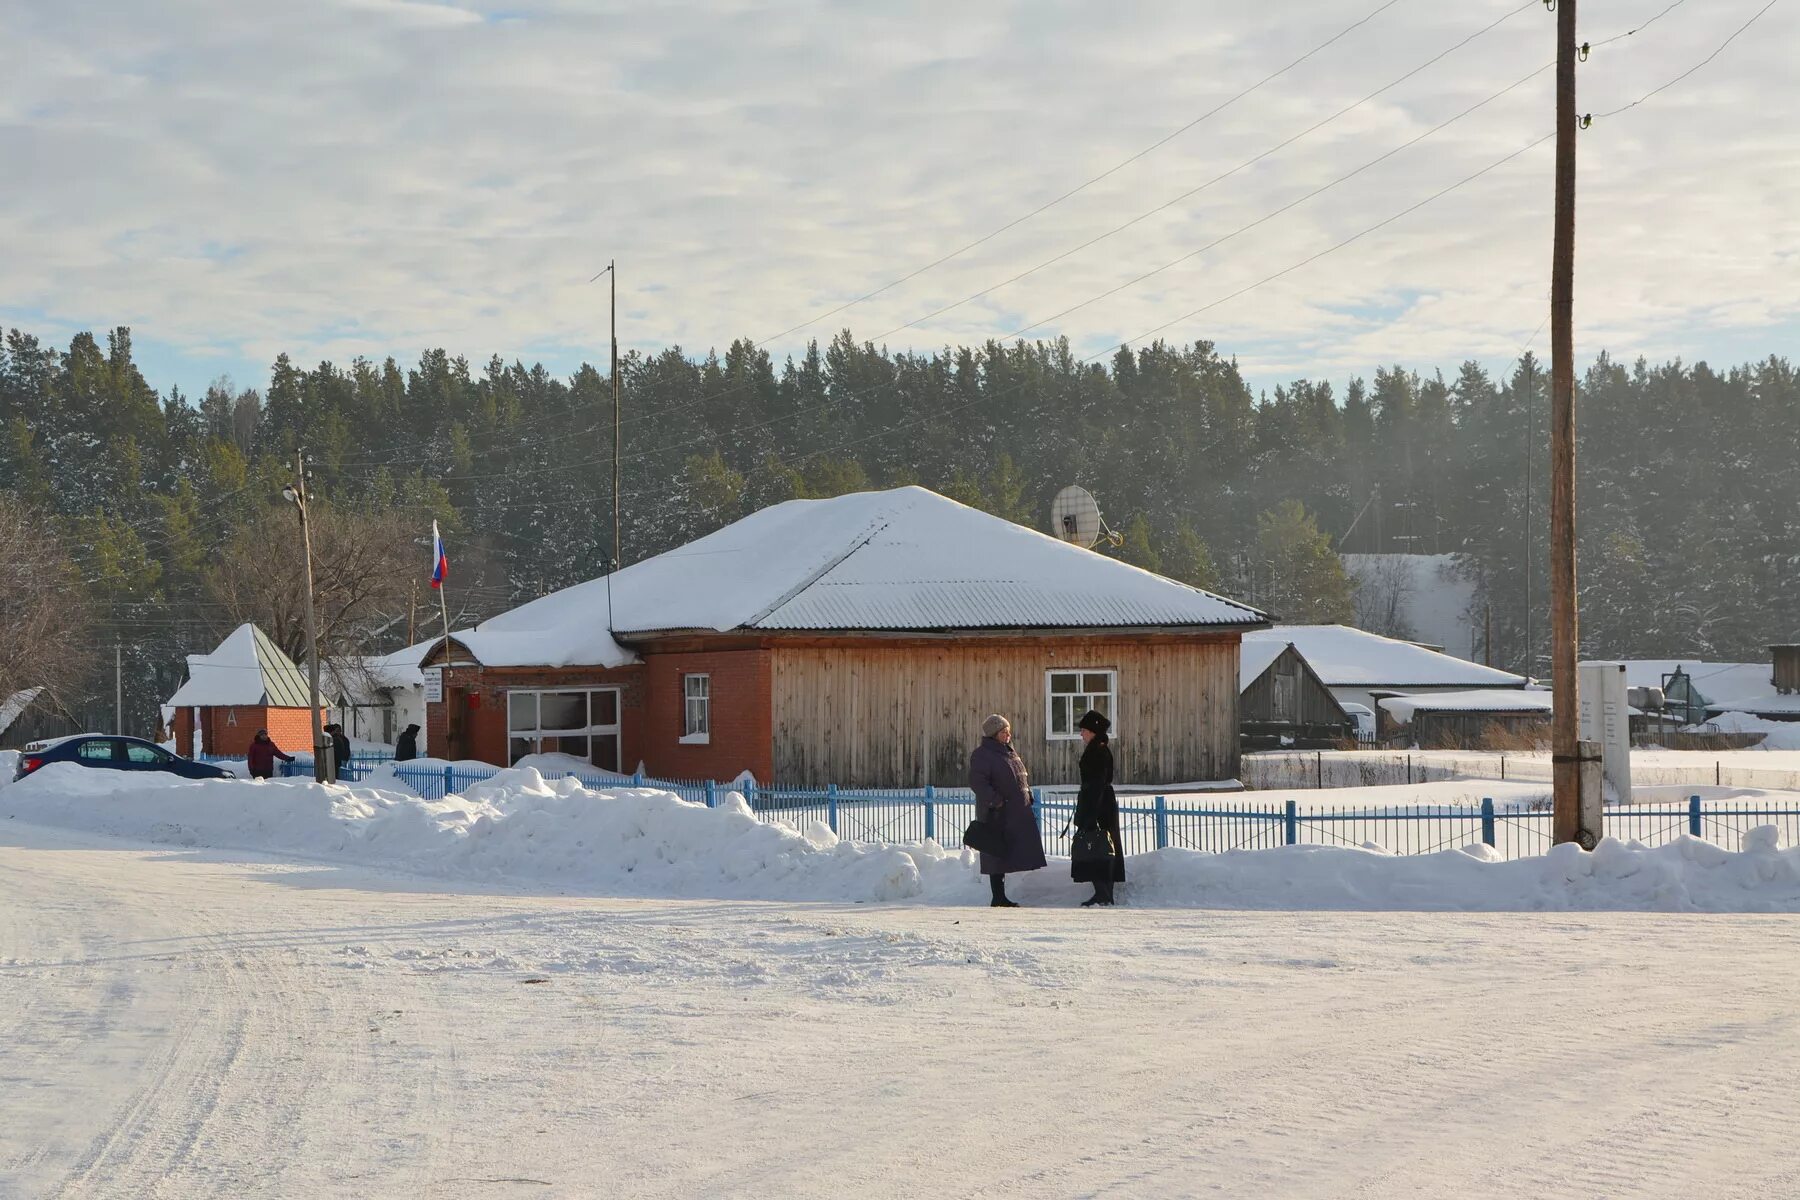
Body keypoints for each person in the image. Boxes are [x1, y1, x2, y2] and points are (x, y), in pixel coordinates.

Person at [968, 714, 1047, 907]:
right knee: (996, 852)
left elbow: (1019, 777)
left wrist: (1026, 794)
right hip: (997, 812)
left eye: (1008, 731)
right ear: (994, 734)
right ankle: (998, 896)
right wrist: (995, 801)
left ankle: (1001, 896)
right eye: (1003, 732)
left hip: (1014, 812)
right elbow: (978, 782)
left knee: (1008, 851)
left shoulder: (1007, 752)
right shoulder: (983, 754)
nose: (1008, 735)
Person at [1072, 709, 1125, 906]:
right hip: (1100, 802)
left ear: (1093, 731)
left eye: (1084, 730)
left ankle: (1103, 892)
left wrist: (1090, 813)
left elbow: (1096, 783)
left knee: (1097, 846)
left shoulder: (1097, 751)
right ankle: (1103, 891)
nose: (1081, 734)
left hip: (1098, 804)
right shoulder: (1097, 749)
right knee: (1102, 845)